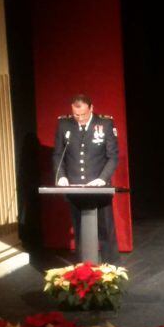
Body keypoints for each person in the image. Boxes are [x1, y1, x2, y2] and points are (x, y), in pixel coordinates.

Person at [52, 94, 119, 264]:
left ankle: (112, 269)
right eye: (76, 115)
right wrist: (61, 177)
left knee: (105, 231)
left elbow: (113, 157)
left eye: (83, 114)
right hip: (75, 188)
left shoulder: (104, 124)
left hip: (99, 187)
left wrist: (103, 179)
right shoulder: (64, 125)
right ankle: (84, 270)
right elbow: (58, 154)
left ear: (91, 108)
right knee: (80, 231)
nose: (79, 118)